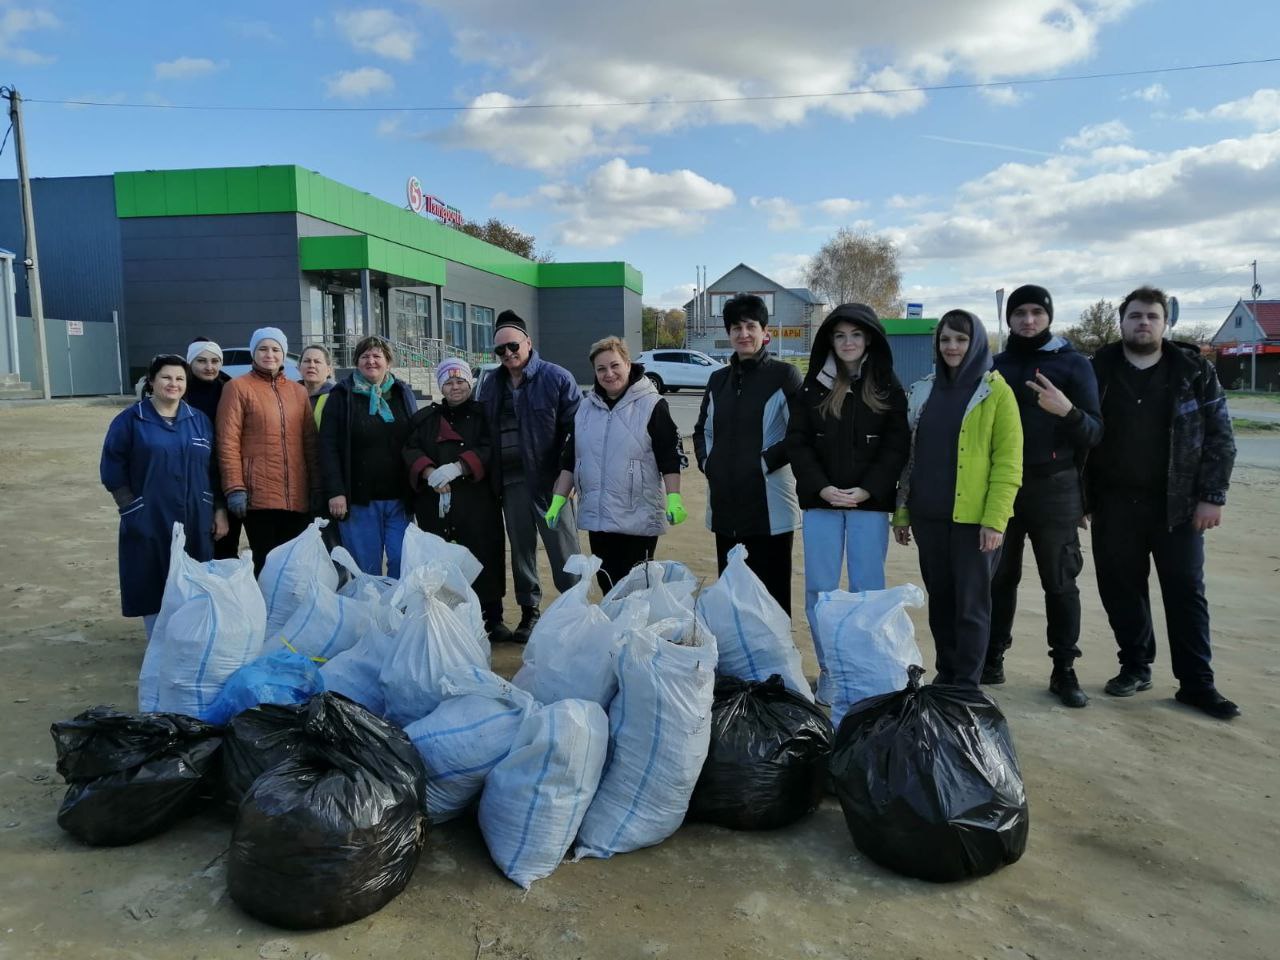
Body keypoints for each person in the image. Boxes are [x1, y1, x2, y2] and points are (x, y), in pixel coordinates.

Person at [1087, 286, 1239, 720]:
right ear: (1122, 322)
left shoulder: (1193, 370)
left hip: (1178, 505)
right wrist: (1081, 498)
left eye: (1152, 316)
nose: (1143, 323)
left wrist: (1212, 496)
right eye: (1135, 316)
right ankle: (1135, 666)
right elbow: (1078, 434)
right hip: (1113, 503)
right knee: (1121, 589)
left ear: (1165, 322)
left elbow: (1220, 437)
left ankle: (1197, 684)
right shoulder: (1098, 369)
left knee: (1186, 592)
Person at [985, 285, 1103, 708]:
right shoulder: (996, 365)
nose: (1028, 320)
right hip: (1003, 489)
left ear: (1049, 316)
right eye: (1020, 312)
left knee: (1060, 580)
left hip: (1054, 488)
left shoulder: (1073, 365)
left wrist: (1066, 411)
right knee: (1000, 578)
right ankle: (992, 657)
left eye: (1037, 312)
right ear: (1010, 318)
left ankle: (1064, 669)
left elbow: (1095, 431)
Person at [786, 303, 910, 702]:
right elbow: (798, 443)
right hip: (821, 504)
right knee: (821, 591)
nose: (847, 343)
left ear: (869, 338)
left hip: (867, 506)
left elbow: (896, 446)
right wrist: (821, 488)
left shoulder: (888, 386)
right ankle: (831, 671)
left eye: (855, 335)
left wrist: (869, 489)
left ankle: (866, 669)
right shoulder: (812, 386)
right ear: (829, 341)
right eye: (839, 336)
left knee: (867, 591)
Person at [893, 310, 1022, 687]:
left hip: (974, 523)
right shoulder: (924, 389)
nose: (952, 347)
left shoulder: (996, 391)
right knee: (942, 603)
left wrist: (995, 520)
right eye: (945, 339)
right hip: (928, 517)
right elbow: (910, 457)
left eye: (961, 340)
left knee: (971, 607)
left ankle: (966, 684)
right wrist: (902, 513)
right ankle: (946, 676)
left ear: (977, 343)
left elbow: (1008, 463)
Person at [100, 354, 228, 637]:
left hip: (196, 513)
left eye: (180, 378)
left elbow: (214, 469)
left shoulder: (200, 421)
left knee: (194, 578)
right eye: (166, 378)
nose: (174, 384)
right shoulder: (131, 421)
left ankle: (189, 640)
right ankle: (158, 642)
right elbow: (112, 468)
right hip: (149, 514)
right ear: (152, 381)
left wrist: (218, 509)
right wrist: (131, 508)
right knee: (152, 577)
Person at [546, 336, 686, 592]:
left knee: (635, 588)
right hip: (599, 517)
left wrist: (675, 498)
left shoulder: (652, 404)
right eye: (601, 369)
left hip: (637, 516)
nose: (609, 374)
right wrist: (558, 501)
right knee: (608, 584)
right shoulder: (586, 409)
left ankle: (635, 633)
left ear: (628, 365)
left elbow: (669, 456)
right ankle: (614, 632)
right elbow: (570, 458)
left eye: (615, 365)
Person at [477, 310, 582, 642]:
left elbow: (578, 432)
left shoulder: (557, 378)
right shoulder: (491, 384)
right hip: (511, 485)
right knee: (521, 552)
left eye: (513, 346)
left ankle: (575, 614)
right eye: (500, 350)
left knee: (564, 550)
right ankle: (530, 613)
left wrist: (570, 478)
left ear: (528, 342)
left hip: (552, 485)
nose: (508, 354)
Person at [693, 293, 802, 615]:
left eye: (751, 326)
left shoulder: (784, 375)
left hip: (770, 506)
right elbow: (702, 430)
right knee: (732, 593)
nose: (743, 334)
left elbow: (799, 434)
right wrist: (707, 462)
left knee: (771, 595)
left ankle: (776, 664)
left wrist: (763, 463)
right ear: (728, 333)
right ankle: (737, 662)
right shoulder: (718, 380)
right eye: (736, 327)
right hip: (726, 506)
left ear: (765, 331)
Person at [403, 358, 509, 641]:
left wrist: (460, 467)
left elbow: (491, 448)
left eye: (460, 381)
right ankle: (445, 619)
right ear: (441, 387)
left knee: (484, 556)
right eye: (448, 382)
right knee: (441, 561)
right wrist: (428, 472)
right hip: (434, 503)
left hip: (477, 503)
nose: (455, 387)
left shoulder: (485, 415)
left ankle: (492, 618)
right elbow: (409, 449)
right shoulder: (425, 419)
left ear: (470, 383)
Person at [216, 326, 318, 577]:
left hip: (297, 494)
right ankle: (265, 616)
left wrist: (316, 487)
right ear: (254, 353)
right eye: (262, 348)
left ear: (283, 354)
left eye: (275, 349)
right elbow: (227, 441)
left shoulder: (298, 391)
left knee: (294, 566)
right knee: (266, 563)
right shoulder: (237, 388)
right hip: (258, 496)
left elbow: (310, 444)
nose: (269, 354)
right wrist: (234, 488)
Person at [318, 335, 417, 578]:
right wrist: (335, 491)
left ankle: (395, 614)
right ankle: (372, 615)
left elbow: (416, 440)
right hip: (359, 500)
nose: (371, 361)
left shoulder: (402, 393)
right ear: (356, 362)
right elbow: (328, 447)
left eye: (377, 356)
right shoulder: (341, 396)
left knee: (401, 560)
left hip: (399, 499)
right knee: (367, 569)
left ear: (388, 362)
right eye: (365, 356)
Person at [184, 337, 243, 561]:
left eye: (215, 361)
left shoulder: (230, 390)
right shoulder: (180, 393)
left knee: (225, 550)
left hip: (225, 477)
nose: (209, 367)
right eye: (201, 361)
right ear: (191, 363)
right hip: (191, 481)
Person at [299, 344, 337, 425]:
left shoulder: (337, 396)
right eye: (307, 361)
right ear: (299, 367)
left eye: (317, 362)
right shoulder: (288, 394)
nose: (311, 365)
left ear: (329, 370)